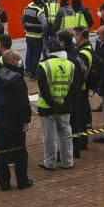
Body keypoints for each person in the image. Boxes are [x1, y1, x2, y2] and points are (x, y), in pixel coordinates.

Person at [0, 49, 32, 190]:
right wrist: (26, 120)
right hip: (14, 120)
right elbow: (23, 103)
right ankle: (22, 181)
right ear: (11, 61)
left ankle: (4, 183)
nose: (19, 62)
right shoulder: (16, 79)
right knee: (20, 151)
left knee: (1, 152)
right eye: (17, 59)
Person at [35, 39, 77, 169]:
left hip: (47, 108)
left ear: (49, 50)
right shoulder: (71, 65)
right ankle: (68, 161)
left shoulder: (44, 65)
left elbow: (44, 89)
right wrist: (65, 104)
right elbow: (73, 87)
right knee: (66, 135)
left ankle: (50, 162)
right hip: (65, 107)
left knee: (49, 137)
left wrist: (53, 104)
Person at [72, 29, 97, 156]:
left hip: (81, 88)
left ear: (80, 36)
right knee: (84, 113)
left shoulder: (83, 52)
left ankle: (82, 141)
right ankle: (84, 137)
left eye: (75, 35)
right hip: (84, 87)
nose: (74, 37)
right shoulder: (88, 48)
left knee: (80, 116)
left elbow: (82, 72)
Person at [21, 0, 48, 77]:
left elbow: (22, 20)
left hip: (28, 35)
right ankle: (33, 73)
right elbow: (44, 25)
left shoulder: (26, 8)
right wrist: (45, 34)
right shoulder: (40, 11)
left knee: (29, 52)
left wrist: (26, 29)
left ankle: (27, 70)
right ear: (39, 1)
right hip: (37, 36)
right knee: (36, 55)